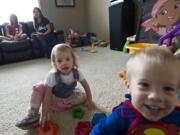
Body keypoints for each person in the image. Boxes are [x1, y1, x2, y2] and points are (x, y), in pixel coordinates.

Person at [90, 46, 180, 135]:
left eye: (168, 88)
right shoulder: (123, 114)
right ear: (129, 87)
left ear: (177, 92)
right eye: (145, 85)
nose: (155, 96)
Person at [16, 43, 93, 130]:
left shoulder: (77, 73)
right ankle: (32, 114)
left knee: (83, 98)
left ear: (73, 60)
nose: (64, 63)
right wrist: (44, 115)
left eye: (67, 59)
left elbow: (86, 86)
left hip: (67, 96)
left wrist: (89, 100)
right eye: (59, 61)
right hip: (53, 96)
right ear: (55, 63)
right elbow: (47, 96)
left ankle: (60, 105)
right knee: (39, 87)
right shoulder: (52, 76)